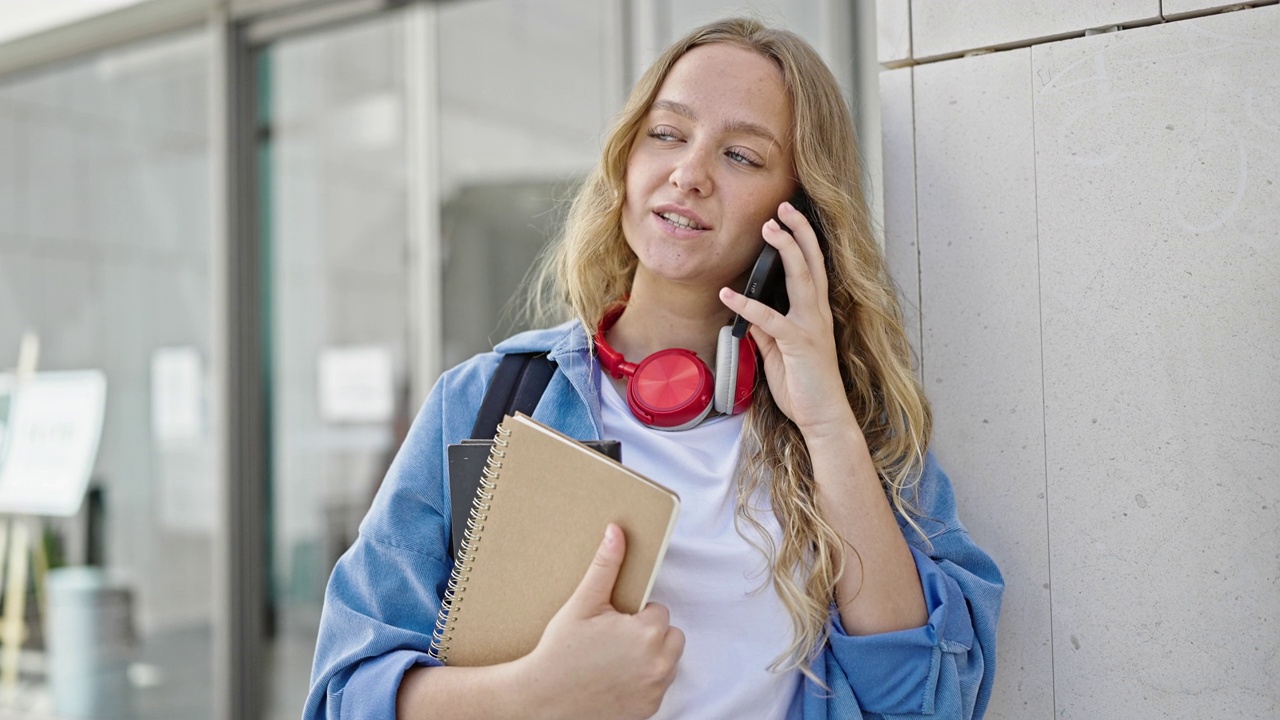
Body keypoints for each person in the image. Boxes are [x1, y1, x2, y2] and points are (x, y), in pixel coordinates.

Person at [304, 17, 1002, 720]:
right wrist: (532, 696)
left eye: (741, 156)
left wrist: (827, 428)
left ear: (797, 217)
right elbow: (342, 695)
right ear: (626, 163)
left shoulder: (860, 434)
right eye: (667, 134)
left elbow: (931, 705)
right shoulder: (483, 402)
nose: (689, 174)